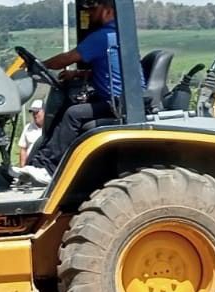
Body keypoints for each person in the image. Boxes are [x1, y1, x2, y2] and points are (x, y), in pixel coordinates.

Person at [12, 0, 142, 186]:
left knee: (73, 114)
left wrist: (41, 65)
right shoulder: (117, 36)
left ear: (107, 11)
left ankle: (48, 170)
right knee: (71, 108)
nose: (89, 12)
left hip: (119, 103)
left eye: (93, 8)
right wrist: (78, 73)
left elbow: (67, 58)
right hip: (118, 98)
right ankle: (38, 164)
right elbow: (111, 70)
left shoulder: (103, 37)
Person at [18, 99, 45, 167]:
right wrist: (22, 167)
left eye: (37, 112)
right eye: (33, 112)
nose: (34, 115)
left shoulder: (51, 127)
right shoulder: (28, 128)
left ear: (44, 112)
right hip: (30, 165)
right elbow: (23, 149)